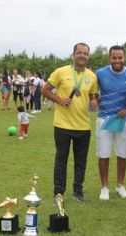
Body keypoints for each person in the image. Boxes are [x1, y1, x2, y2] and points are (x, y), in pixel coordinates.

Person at [42, 43, 98, 203]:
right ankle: (58, 194)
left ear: (88, 56)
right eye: (79, 53)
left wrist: (94, 103)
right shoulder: (61, 72)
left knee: (81, 161)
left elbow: (93, 97)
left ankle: (78, 191)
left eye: (85, 53)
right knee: (61, 160)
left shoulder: (92, 76)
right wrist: (59, 100)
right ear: (73, 55)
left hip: (83, 126)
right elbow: (45, 90)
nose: (82, 56)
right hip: (62, 125)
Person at [95, 45, 126, 200]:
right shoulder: (100, 73)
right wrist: (96, 101)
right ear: (109, 58)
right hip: (104, 119)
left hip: (122, 120)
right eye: (114, 57)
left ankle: (120, 185)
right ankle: (104, 187)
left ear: (124, 57)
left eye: (120, 57)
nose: (117, 60)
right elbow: (92, 92)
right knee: (103, 154)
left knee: (122, 154)